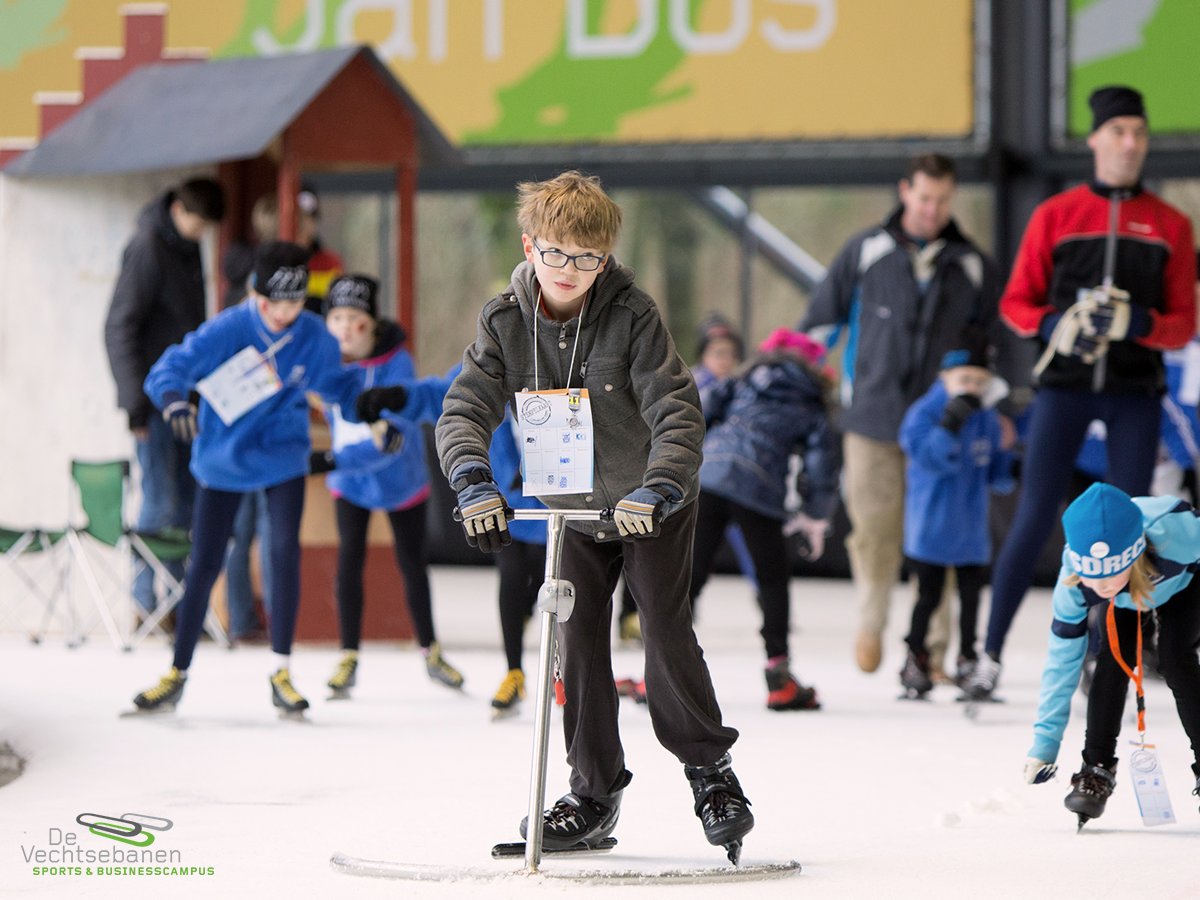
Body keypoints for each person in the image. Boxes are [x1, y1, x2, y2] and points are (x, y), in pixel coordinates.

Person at [428, 171, 754, 862]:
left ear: (604, 259)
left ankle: (709, 772)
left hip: (647, 505)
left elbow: (676, 413)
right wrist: (472, 482)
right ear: (529, 245)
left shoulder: (633, 315)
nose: (569, 270)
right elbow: (464, 409)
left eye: (586, 258)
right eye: (555, 254)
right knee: (575, 644)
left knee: (664, 631)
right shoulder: (504, 323)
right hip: (569, 513)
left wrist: (659, 487)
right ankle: (592, 793)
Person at [968, 86, 1196, 700]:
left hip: (1133, 394)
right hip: (1064, 390)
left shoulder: (1172, 224)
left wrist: (1136, 324)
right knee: (1034, 513)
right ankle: (988, 656)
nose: (1129, 143)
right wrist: (1053, 325)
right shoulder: (1057, 214)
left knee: (1131, 527)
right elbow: (1015, 302)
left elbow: (1184, 322)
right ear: (1094, 138)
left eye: (1139, 133)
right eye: (1118, 130)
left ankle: (1108, 655)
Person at [130, 242, 388, 717]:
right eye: (274, 305)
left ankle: (281, 670)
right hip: (224, 457)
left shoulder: (314, 335)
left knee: (281, 553)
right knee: (206, 560)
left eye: (294, 304)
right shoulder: (229, 327)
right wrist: (174, 399)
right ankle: (177, 672)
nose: (285, 314)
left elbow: (336, 388)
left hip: (282, 454)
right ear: (256, 296)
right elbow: (171, 366)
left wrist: (369, 406)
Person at [801, 153, 1001, 675]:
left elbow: (993, 347)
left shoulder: (972, 264)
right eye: (923, 196)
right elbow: (819, 324)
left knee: (939, 538)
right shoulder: (865, 249)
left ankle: (932, 650)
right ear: (905, 191)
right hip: (871, 419)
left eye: (942, 199)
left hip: (942, 429)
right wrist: (797, 378)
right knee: (873, 531)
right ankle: (871, 626)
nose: (932, 209)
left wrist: (994, 406)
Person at [311, 274, 463, 697]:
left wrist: (327, 460)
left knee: (412, 565)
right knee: (349, 561)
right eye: (336, 317)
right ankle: (348, 656)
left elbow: (391, 441)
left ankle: (430, 651)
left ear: (372, 324)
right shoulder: (327, 363)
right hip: (351, 483)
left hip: (400, 480)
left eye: (354, 318)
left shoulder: (397, 363)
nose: (344, 326)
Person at [1022, 483, 1200, 824]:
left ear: (1133, 556)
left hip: (1185, 580)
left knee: (1177, 661)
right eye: (1092, 578)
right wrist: (1044, 746)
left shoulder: (1178, 535)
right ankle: (1096, 769)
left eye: (1109, 575)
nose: (1100, 587)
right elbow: (1062, 662)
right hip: (1131, 592)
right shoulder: (1074, 582)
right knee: (1111, 661)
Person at [687, 327, 840, 711]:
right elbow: (822, 466)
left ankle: (661, 671)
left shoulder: (744, 379)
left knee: (689, 575)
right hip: (760, 488)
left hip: (712, 477)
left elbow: (699, 411)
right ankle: (778, 676)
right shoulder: (812, 400)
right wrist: (814, 514)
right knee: (772, 579)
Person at [104, 177, 226, 620]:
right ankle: (142, 604)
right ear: (178, 209)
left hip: (187, 399)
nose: (202, 233)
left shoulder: (185, 246)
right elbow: (119, 328)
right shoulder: (149, 247)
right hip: (152, 403)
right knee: (158, 498)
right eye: (199, 223)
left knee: (187, 501)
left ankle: (175, 603)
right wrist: (134, 402)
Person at [897, 330, 1014, 697]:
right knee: (928, 597)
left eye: (980, 382)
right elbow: (929, 457)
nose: (972, 388)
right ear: (943, 379)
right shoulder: (923, 415)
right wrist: (949, 425)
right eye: (964, 379)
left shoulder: (987, 420)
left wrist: (1010, 462)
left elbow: (997, 476)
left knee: (971, 598)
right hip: (931, 526)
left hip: (970, 530)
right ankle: (916, 657)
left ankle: (967, 657)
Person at [487, 413, 548, 718]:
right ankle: (514, 672)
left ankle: (563, 674)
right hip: (503, 496)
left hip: (552, 497)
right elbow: (450, 393)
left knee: (548, 581)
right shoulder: (490, 371)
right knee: (510, 577)